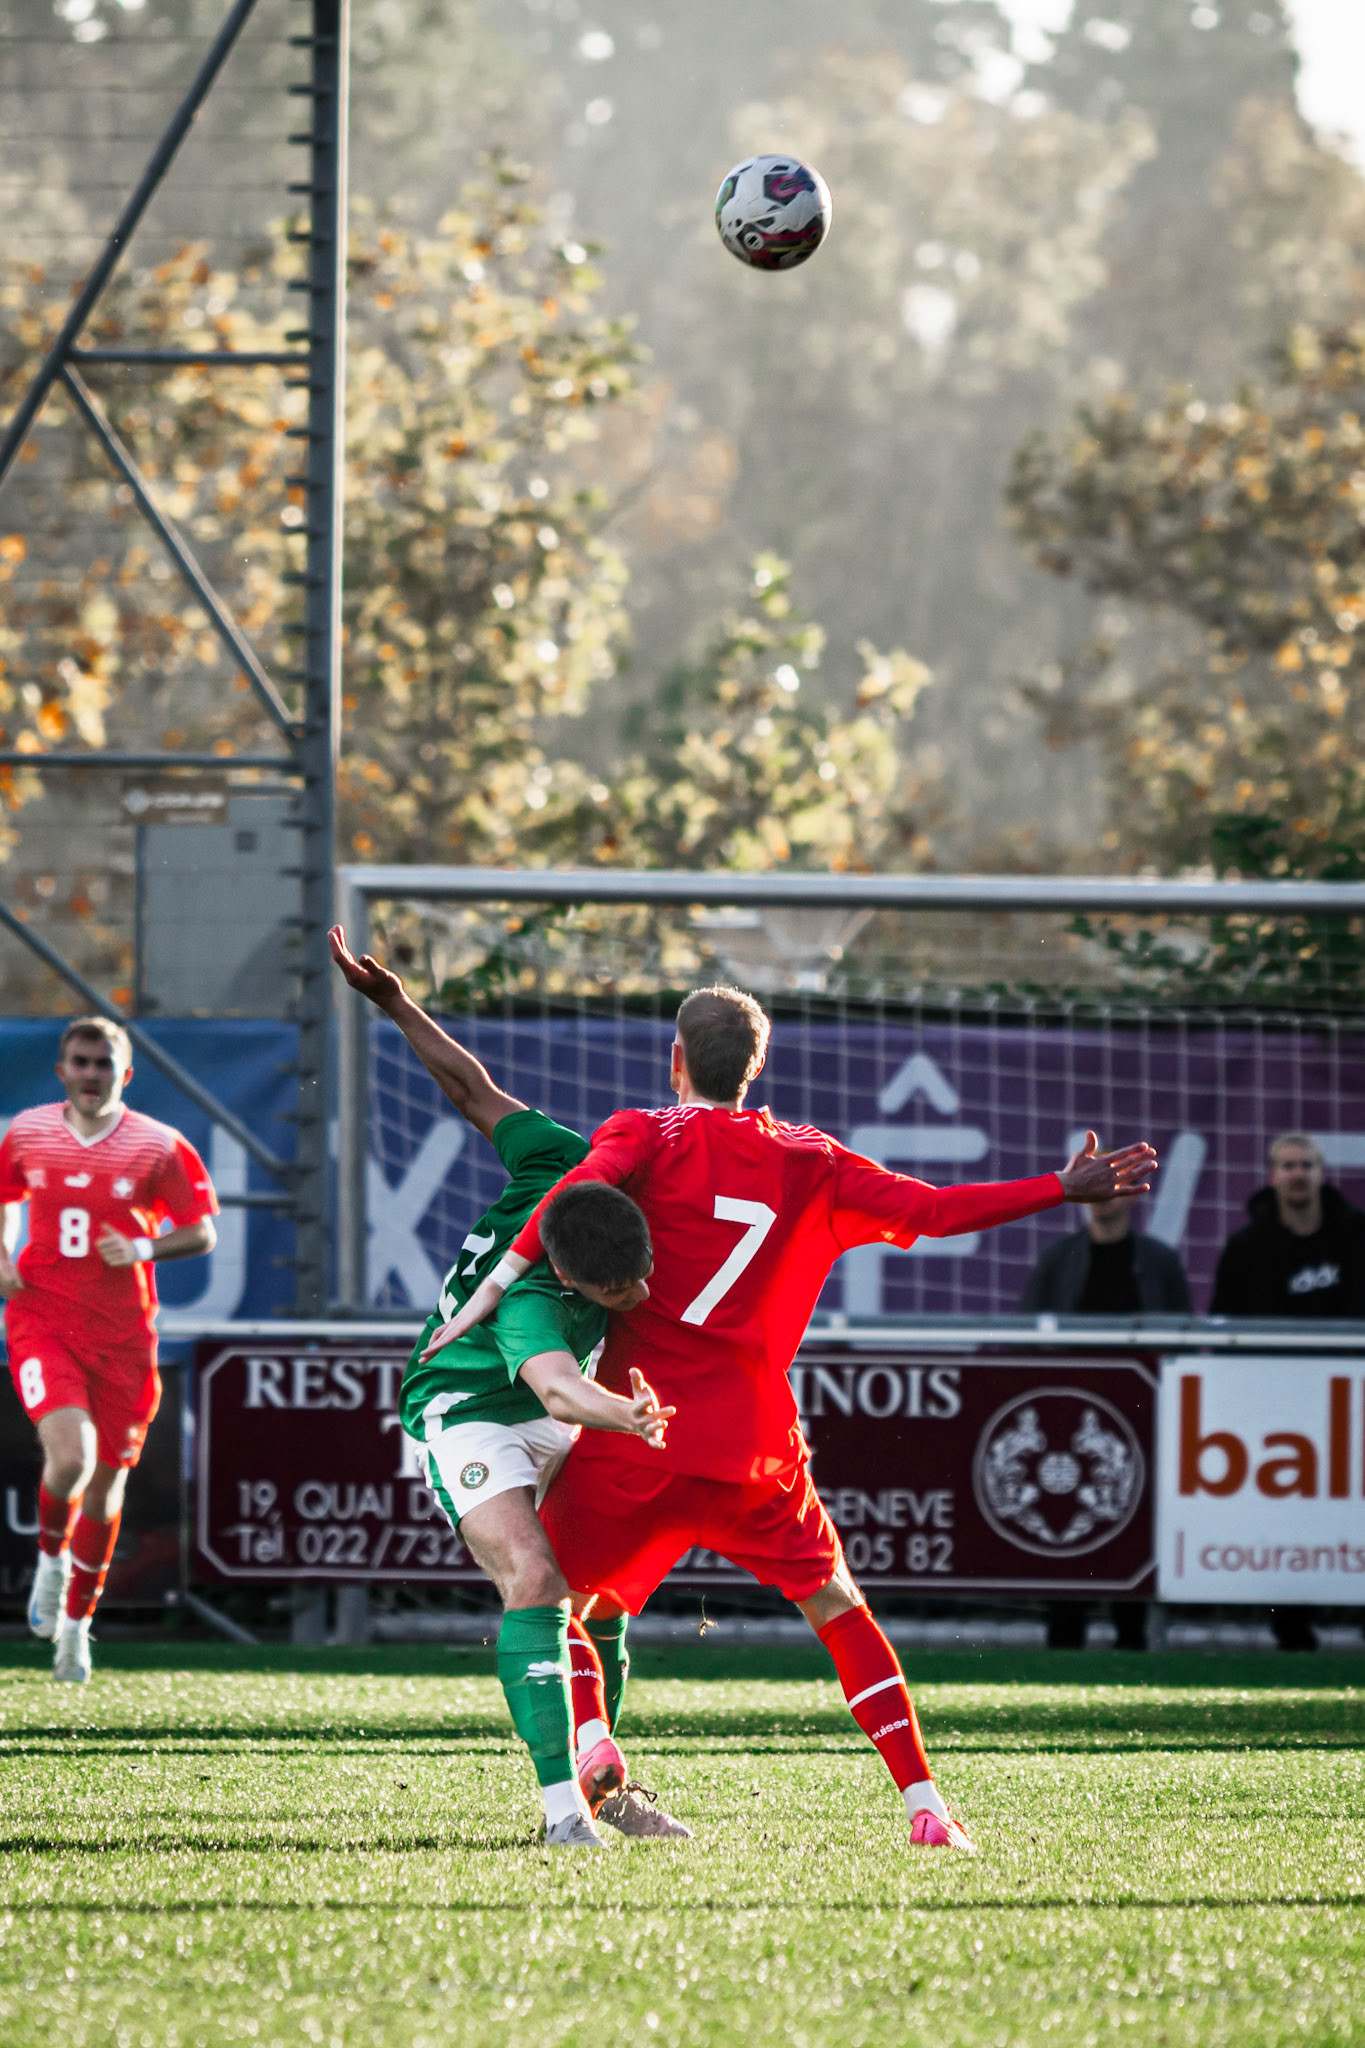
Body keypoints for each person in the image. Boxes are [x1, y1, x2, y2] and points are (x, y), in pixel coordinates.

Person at [431, 984, 1158, 1851]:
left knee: (558, 1605)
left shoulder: (638, 1133)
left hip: (639, 1433)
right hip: (753, 1449)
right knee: (840, 1611)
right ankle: (925, 1806)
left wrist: (499, 1285)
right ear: (757, 1067)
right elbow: (931, 1212)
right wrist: (1054, 1187)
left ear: (675, 1060)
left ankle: (590, 1755)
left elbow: (572, 1200)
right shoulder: (811, 1160)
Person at [330, 927, 688, 1849]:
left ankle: (608, 1779)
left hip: (557, 1404)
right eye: (618, 1294)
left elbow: (470, 1089)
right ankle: (564, 1816)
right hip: (469, 1411)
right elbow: (563, 1393)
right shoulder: (529, 1301)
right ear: (569, 1279)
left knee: (597, 1591)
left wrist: (396, 1003)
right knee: (535, 1579)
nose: (637, 1296)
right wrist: (628, 1415)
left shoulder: (563, 1162)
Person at [0, 1016, 218, 1683]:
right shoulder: (29, 1132)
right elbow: (5, 1199)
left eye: (103, 1064)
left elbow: (201, 1231)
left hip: (124, 1337)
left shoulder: (158, 1145)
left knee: (104, 1490)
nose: (90, 1074)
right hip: (42, 1317)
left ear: (124, 1074)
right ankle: (49, 1560)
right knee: (71, 1456)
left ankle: (75, 1626)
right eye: (79, 1061)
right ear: (61, 1070)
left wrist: (145, 1247)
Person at [1210, 1133, 1365, 1319]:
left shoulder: (1357, 1237)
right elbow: (1224, 1319)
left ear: (1322, 1174)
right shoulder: (1244, 1248)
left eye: (1307, 1165)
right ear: (1273, 1176)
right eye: (1288, 1166)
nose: (1298, 1174)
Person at [1021, 1193, 1190, 1315]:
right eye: (1093, 1186)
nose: (1101, 1192)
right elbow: (1027, 1325)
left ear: (1134, 1194)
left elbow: (1183, 1330)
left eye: (1112, 1184)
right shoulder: (1056, 1257)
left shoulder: (1161, 1259)